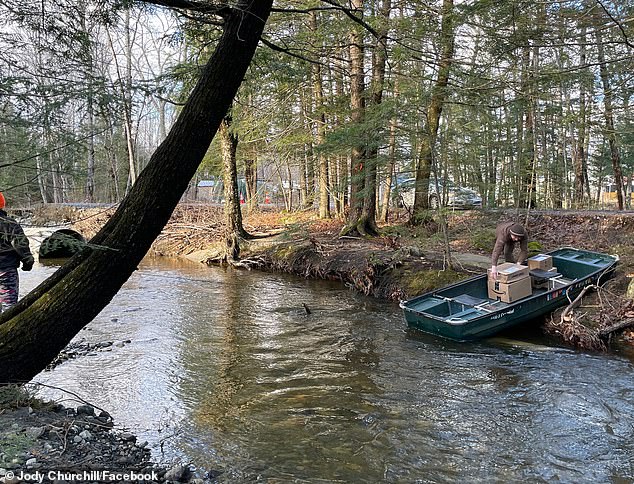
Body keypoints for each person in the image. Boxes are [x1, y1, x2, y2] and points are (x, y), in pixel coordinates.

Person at [0, 192, 34, 312]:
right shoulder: (10, 223)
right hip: (6, 271)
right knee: (8, 308)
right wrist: (28, 261)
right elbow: (20, 244)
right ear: (2, 204)